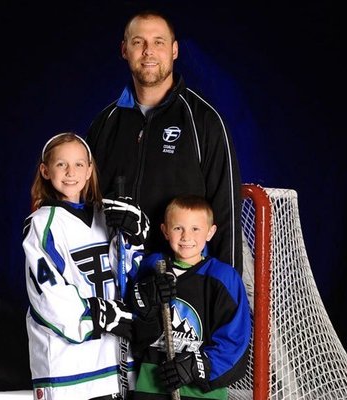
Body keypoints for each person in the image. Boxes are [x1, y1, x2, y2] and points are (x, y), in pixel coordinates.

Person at [86, 9, 243, 275]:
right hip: (114, 275)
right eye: (138, 42)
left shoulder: (203, 120)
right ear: (124, 50)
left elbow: (226, 210)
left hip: (179, 278)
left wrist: (223, 290)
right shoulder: (105, 122)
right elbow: (84, 199)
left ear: (174, 50)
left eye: (158, 42)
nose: (148, 51)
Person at [22, 132, 149, 400]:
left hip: (113, 360)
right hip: (67, 365)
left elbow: (125, 271)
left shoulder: (108, 214)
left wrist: (135, 235)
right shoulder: (42, 224)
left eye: (79, 164)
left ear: (90, 169)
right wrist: (100, 314)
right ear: (45, 171)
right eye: (61, 164)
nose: (71, 172)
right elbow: (49, 294)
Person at [129, 194, 251, 400]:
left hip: (202, 392)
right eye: (178, 228)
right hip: (151, 383)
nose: (186, 237)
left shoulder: (223, 277)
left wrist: (197, 366)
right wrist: (146, 298)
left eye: (195, 229)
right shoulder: (152, 268)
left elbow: (235, 337)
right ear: (165, 231)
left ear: (210, 232)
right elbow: (133, 319)